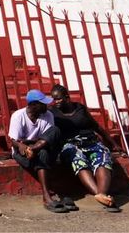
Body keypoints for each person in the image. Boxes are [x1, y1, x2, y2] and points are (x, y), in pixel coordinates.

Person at [49, 84, 121, 212]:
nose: (56, 102)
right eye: (54, 99)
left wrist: (114, 144)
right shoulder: (53, 113)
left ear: (67, 97)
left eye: (59, 99)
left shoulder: (80, 108)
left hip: (90, 141)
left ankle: (101, 194)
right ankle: (100, 195)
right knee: (78, 160)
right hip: (69, 144)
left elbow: (96, 126)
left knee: (103, 158)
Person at [8, 89, 68, 213]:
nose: (46, 106)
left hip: (38, 147)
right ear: (33, 105)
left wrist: (33, 147)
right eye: (43, 104)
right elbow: (14, 141)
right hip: (22, 151)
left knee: (55, 131)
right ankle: (47, 196)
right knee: (43, 153)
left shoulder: (48, 115)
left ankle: (47, 197)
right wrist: (23, 146)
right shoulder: (18, 116)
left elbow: (49, 136)